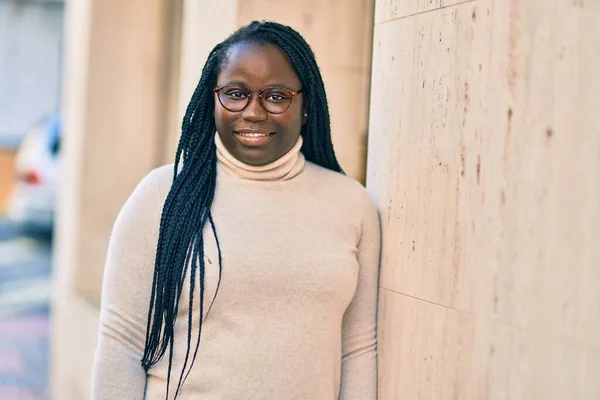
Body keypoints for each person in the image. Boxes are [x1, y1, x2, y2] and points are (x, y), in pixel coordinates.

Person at [91, 20, 381, 400]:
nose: (254, 112)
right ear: (212, 102)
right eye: (235, 93)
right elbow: (122, 343)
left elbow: (358, 350)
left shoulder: (351, 205)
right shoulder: (163, 196)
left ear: (306, 105)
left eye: (276, 96)